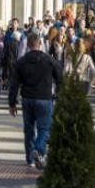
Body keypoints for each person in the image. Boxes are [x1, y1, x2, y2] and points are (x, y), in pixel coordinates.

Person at [9, 32, 62, 169]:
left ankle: (30, 159)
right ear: (40, 44)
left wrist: (12, 103)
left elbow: (14, 83)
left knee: (28, 129)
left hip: (27, 98)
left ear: (27, 45)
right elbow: (60, 78)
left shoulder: (21, 61)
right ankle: (38, 149)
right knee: (45, 128)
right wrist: (60, 93)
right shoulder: (49, 60)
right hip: (44, 98)